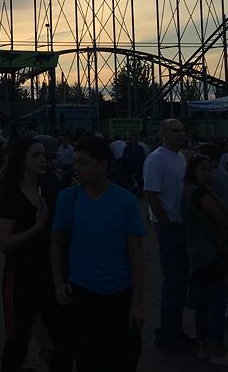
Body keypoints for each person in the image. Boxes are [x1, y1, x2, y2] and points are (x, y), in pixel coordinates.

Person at [51, 135, 146, 372]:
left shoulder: (125, 201)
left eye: (83, 162)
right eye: (75, 162)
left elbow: (136, 254)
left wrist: (137, 303)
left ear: (103, 164)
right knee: (88, 359)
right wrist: (58, 283)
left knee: (121, 359)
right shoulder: (67, 199)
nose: (76, 168)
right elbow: (56, 244)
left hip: (119, 293)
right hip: (82, 292)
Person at [0, 136, 68, 372]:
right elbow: (4, 242)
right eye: (35, 155)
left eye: (44, 155)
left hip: (48, 273)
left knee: (63, 339)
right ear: (21, 160)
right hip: (19, 276)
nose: (43, 159)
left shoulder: (49, 186)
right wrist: (37, 227)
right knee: (17, 341)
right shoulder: (10, 194)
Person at [182, 154, 228, 367]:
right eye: (202, 169)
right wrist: (211, 192)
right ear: (193, 171)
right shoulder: (201, 193)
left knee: (202, 303)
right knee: (217, 302)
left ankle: (204, 345)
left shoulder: (187, 191)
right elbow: (225, 217)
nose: (208, 173)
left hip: (196, 253)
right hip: (211, 253)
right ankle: (218, 349)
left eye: (210, 169)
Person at [143, 118, 192, 352]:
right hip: (169, 226)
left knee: (181, 281)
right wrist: (165, 222)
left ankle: (176, 329)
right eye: (175, 130)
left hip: (182, 225)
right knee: (173, 281)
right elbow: (151, 194)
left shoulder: (181, 157)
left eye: (182, 130)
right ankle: (165, 333)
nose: (180, 134)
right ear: (163, 133)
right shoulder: (156, 158)